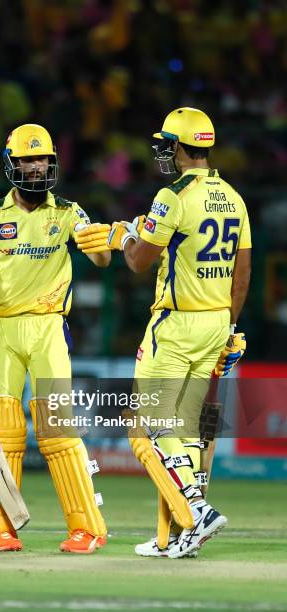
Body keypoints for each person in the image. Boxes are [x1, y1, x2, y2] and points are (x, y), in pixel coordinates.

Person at [0, 124, 111, 553]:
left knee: (57, 427)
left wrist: (101, 243)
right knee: (2, 432)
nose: (36, 169)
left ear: (52, 163)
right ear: (11, 164)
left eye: (43, 161)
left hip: (49, 327)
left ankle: (86, 529)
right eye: (28, 161)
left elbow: (102, 259)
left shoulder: (69, 212)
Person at [107, 107, 251, 558]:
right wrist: (229, 327)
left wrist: (122, 235)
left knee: (151, 420)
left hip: (176, 323)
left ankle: (197, 507)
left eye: (167, 143)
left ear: (179, 147)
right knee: (184, 427)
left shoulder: (172, 196)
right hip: (215, 322)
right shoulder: (234, 197)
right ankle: (187, 532)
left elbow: (137, 260)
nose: (163, 151)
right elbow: (242, 276)